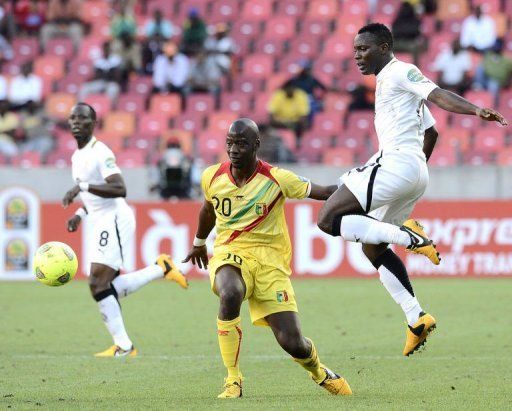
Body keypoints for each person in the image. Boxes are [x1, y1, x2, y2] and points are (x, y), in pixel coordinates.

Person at [316, 23, 507, 357]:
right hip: (413, 169)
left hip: (397, 164)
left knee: (327, 218)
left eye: (364, 48)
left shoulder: (401, 71)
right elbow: (431, 133)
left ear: (385, 46)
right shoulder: (396, 90)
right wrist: (415, 169)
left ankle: (410, 237)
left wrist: (475, 109)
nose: (357, 55)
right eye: (355, 49)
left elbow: (438, 94)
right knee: (373, 248)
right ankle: (416, 317)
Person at [182, 118, 352, 399]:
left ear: (256, 145)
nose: (233, 149)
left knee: (293, 343)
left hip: (270, 264)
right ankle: (233, 380)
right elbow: (207, 210)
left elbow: (324, 192)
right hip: (230, 252)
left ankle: (319, 371)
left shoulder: (277, 179)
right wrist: (199, 243)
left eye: (241, 143)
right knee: (230, 292)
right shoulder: (212, 176)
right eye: (229, 142)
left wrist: (365, 186)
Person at [62, 103, 188, 357]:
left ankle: (125, 346)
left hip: (115, 218)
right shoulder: (77, 156)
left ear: (93, 122)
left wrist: (82, 187)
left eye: (83, 118)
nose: (77, 122)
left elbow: (119, 188)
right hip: (99, 219)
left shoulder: (101, 152)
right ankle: (160, 268)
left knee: (98, 282)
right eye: (73, 118)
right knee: (103, 286)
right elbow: (93, 197)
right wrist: (79, 214)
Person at [268, 80, 310, 148]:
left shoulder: (301, 95)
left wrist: (292, 122)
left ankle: (298, 142)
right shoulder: (278, 95)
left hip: (295, 123)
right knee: (269, 123)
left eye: (293, 88)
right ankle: (272, 143)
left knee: (304, 123)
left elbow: (303, 116)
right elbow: (271, 115)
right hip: (280, 122)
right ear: (285, 89)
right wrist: (284, 122)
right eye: (288, 89)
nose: (291, 90)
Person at [474, 39, 512, 106]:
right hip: (486, 79)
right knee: (479, 68)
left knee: (493, 85)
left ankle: (492, 105)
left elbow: (507, 74)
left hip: (497, 82)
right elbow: (484, 66)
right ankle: (478, 87)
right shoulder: (489, 55)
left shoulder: (507, 60)